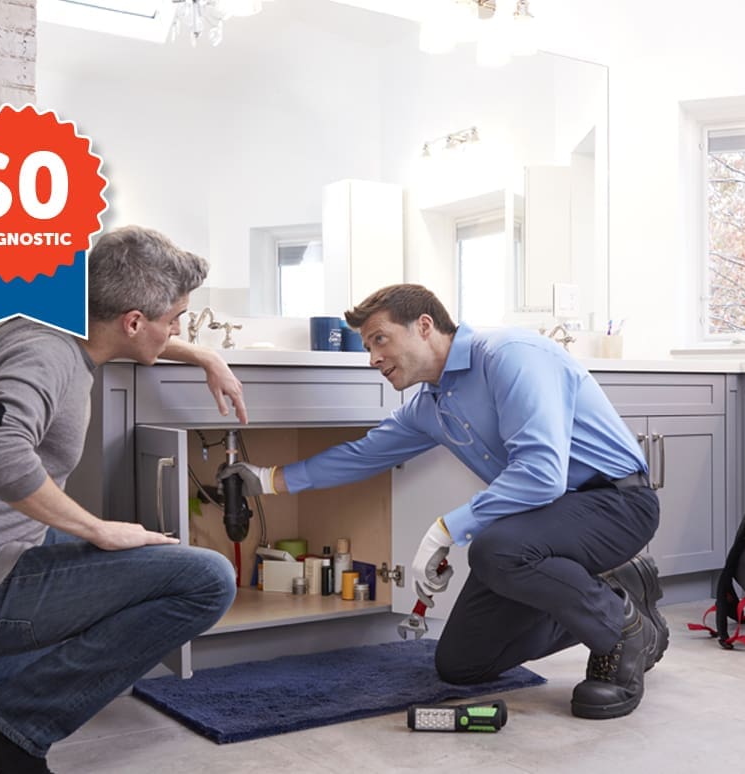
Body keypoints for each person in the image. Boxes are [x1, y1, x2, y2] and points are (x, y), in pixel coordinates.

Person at [0, 226, 249, 773]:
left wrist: (198, 353)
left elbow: (136, 329)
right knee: (205, 580)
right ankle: (17, 725)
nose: (173, 329)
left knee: (129, 561)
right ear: (132, 321)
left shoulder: (54, 325)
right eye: (174, 319)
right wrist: (97, 529)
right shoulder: (46, 355)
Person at [233, 284, 667, 720]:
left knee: (494, 548)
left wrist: (446, 529)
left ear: (424, 326)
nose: (373, 358)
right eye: (367, 347)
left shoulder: (508, 355)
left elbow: (541, 474)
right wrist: (268, 480)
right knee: (462, 664)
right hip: (544, 525)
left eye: (380, 339)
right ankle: (618, 593)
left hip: (616, 503)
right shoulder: (430, 406)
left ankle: (621, 634)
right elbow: (363, 454)